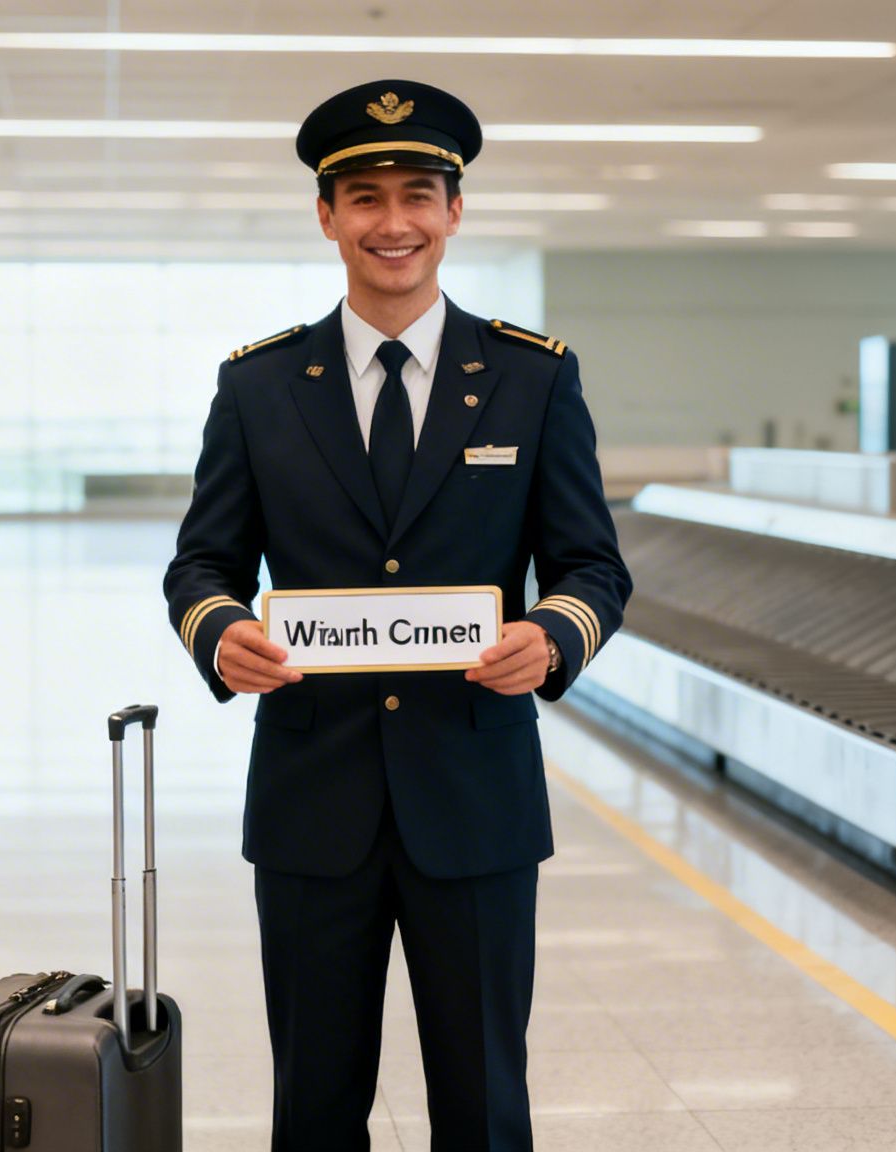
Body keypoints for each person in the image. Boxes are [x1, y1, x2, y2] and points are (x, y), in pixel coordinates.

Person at [164, 79, 632, 1152]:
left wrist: (553, 634)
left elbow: (591, 566)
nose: (393, 222)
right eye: (364, 198)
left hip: (474, 797)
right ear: (326, 216)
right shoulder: (259, 388)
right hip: (310, 797)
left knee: (484, 1100)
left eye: (417, 194)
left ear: (454, 212)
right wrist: (220, 631)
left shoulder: (530, 380)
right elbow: (202, 563)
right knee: (315, 1104)